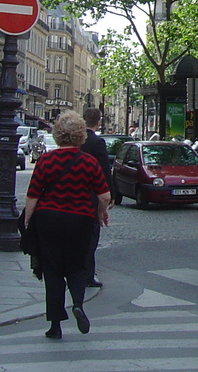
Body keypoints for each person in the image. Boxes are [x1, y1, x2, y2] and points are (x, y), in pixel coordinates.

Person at [24, 111, 110, 340]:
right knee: (77, 266)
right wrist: (101, 213)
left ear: (57, 135)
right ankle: (78, 305)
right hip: (80, 219)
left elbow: (32, 196)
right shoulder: (89, 162)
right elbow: (104, 195)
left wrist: (27, 221)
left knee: (52, 271)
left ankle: (55, 325)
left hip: (49, 219)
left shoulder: (46, 161)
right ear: (81, 135)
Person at [80, 107, 114, 288]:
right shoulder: (97, 142)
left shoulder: (77, 140)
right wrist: (110, 194)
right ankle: (87, 275)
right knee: (91, 236)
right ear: (98, 121)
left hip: (73, 194)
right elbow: (104, 171)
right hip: (91, 196)